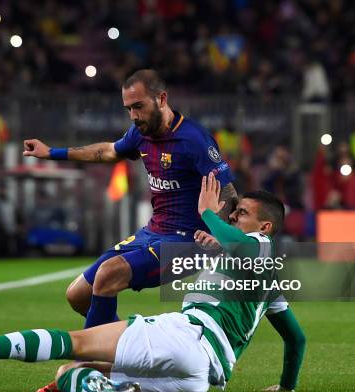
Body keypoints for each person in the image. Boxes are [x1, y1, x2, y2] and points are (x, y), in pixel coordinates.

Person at [0, 174, 305, 392]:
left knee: (76, 341)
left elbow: (239, 243)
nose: (232, 218)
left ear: (265, 227)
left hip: (187, 336)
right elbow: (295, 338)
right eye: (232, 213)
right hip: (200, 377)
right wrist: (286, 387)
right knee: (67, 373)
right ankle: (100, 388)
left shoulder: (259, 245)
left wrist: (205, 212)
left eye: (242, 214)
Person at [22, 69, 237, 334]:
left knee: (107, 274)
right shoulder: (140, 133)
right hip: (152, 233)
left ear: (161, 98)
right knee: (78, 295)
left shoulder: (194, 139)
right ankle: (130, 346)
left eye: (138, 106)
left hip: (188, 242)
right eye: (128, 109)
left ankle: (89, 368)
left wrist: (220, 235)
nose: (134, 116)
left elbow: (227, 191)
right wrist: (51, 152)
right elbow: (108, 151)